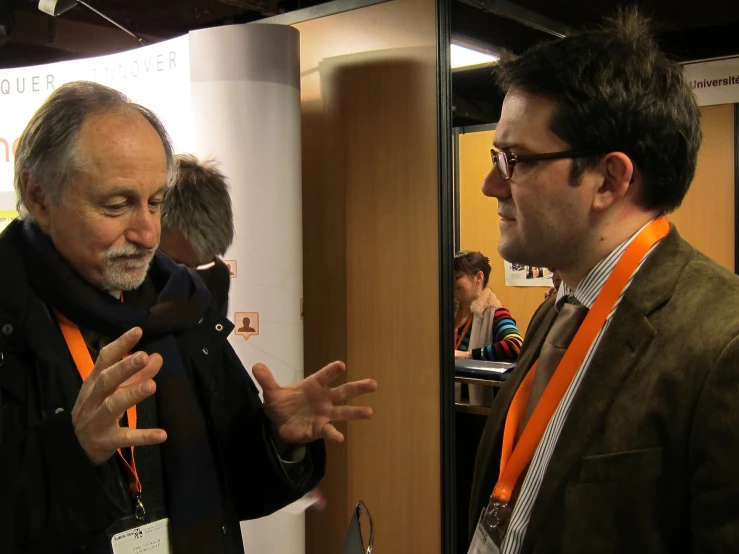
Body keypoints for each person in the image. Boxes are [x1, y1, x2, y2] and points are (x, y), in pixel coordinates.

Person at [0, 81, 377, 554]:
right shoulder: (10, 318)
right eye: (117, 205)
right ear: (39, 196)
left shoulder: (183, 308)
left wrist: (277, 441)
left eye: (156, 202)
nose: (147, 232)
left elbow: (233, 490)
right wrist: (70, 451)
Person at [468, 9, 739, 554]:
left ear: (609, 180)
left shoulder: (723, 345)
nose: (490, 183)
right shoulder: (560, 307)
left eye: (514, 159)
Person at [159, 154, 233, 317]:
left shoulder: (216, 277)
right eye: (177, 263)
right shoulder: (122, 276)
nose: (189, 278)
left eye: (199, 266)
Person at [453, 250, 522, 361]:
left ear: (479, 277)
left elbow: (516, 345)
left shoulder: (496, 312)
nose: (451, 282)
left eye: (457, 277)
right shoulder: (448, 310)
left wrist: (468, 355)